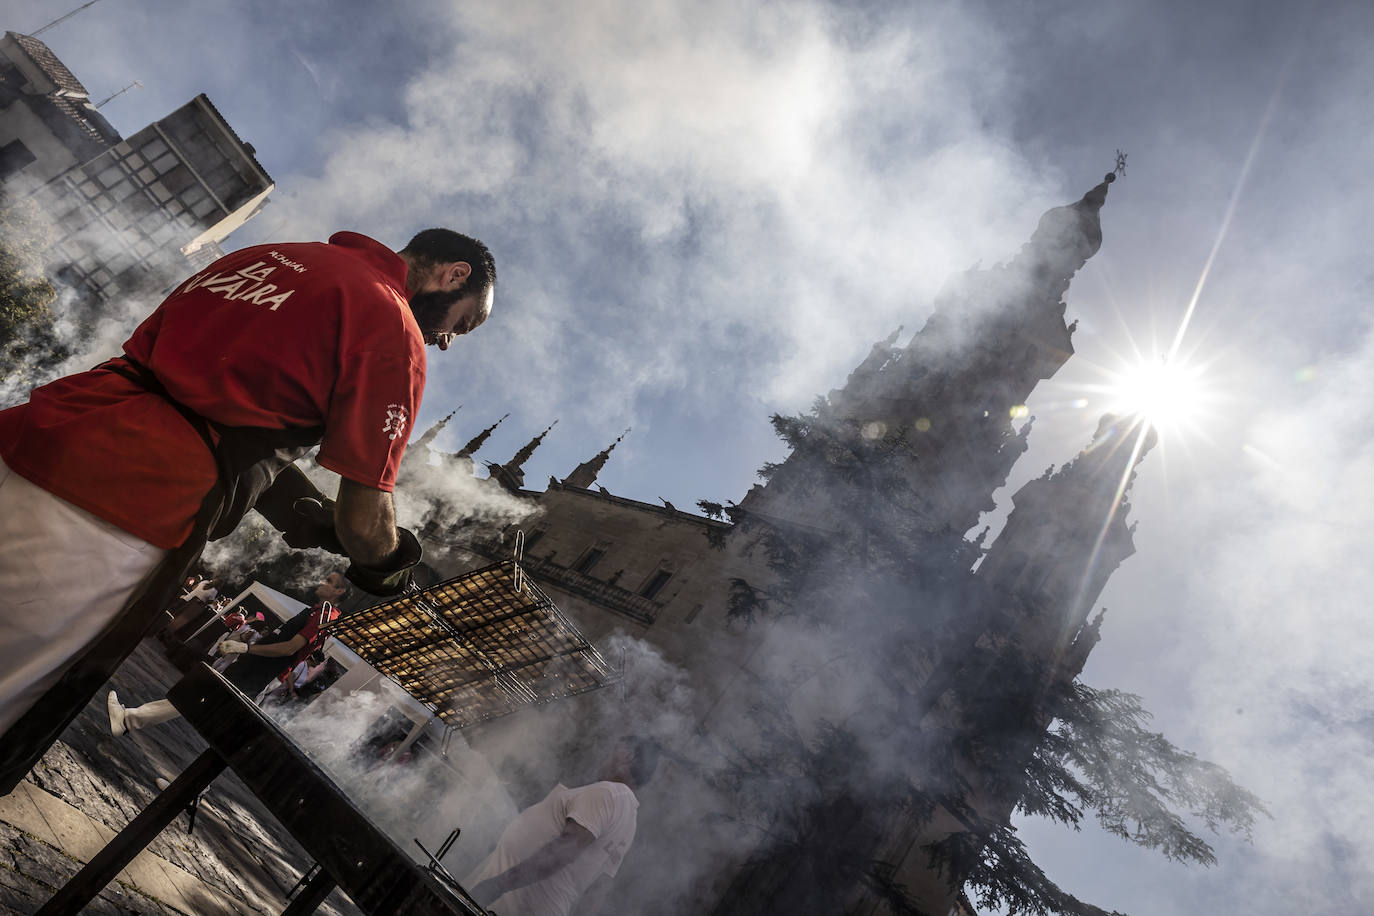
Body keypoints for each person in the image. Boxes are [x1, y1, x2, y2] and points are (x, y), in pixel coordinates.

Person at [0, 227, 496, 791]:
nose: (446, 340)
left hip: (39, 430)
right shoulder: (392, 329)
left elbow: (205, 400)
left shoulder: (275, 255)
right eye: (461, 323)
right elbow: (364, 521)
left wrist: (289, 505)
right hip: (119, 503)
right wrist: (389, 562)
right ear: (453, 275)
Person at [107, 572, 349, 734]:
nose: (322, 581)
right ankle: (130, 720)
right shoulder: (320, 612)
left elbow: (290, 648)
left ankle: (129, 720)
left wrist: (246, 647)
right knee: (207, 711)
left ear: (339, 592)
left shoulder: (325, 615)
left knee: (214, 716)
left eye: (329, 581)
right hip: (257, 669)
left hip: (259, 673)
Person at [465, 738, 660, 916]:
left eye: (614, 750)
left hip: (511, 907)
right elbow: (598, 891)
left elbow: (563, 852)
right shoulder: (629, 820)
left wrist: (496, 886)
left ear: (629, 756)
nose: (606, 757)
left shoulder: (609, 794)